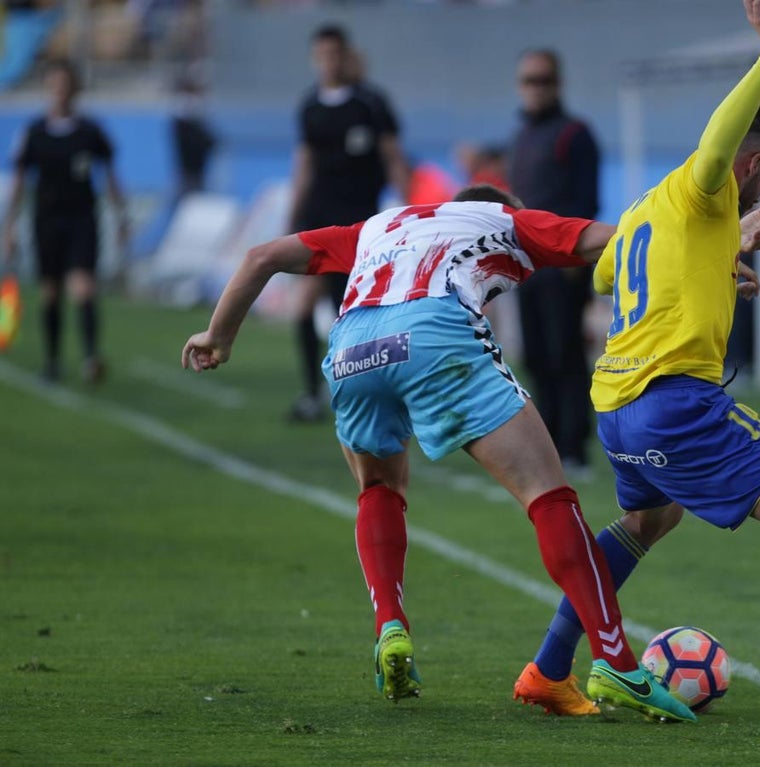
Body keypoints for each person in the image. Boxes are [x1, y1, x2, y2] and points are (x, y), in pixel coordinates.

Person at [513, 0, 760, 739]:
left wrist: (723, 260)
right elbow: (722, 137)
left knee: (648, 518)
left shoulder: (647, 209)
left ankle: (548, 668)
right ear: (749, 164)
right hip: (674, 404)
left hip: (617, 407)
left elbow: (610, 279)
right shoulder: (708, 182)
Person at [181, 185, 700, 724]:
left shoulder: (378, 227)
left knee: (378, 487)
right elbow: (629, 238)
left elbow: (261, 256)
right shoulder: (507, 221)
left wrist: (219, 336)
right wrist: (722, 251)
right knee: (548, 494)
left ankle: (390, 626)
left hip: (353, 345)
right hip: (434, 330)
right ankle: (616, 661)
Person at [286, 24, 409, 423]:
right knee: (303, 305)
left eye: (335, 54)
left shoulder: (370, 103)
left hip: (359, 224)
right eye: (323, 55)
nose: (330, 62)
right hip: (318, 220)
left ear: (347, 55)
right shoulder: (310, 106)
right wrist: (293, 215)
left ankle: (364, 392)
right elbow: (305, 163)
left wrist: (408, 209)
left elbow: (393, 157)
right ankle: (311, 393)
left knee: (351, 313)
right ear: (314, 59)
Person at [2, 58, 129, 384]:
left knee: (83, 287)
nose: (60, 91)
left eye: (66, 85)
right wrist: (9, 226)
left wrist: (121, 217)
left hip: (81, 218)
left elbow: (110, 176)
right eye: (55, 84)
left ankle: (90, 357)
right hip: (46, 218)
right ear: (48, 88)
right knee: (50, 291)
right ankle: (52, 361)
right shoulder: (34, 132)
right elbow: (20, 181)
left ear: (75, 89)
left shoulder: (90, 131)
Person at [508, 48, 599, 473]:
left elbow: (585, 202)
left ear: (557, 84)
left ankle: (574, 447)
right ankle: (548, 445)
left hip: (561, 267)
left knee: (565, 354)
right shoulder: (522, 137)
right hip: (526, 265)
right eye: (529, 80)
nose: (536, 88)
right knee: (536, 357)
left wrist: (572, 262)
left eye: (543, 80)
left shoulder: (574, 134)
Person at [170, 74, 216, 198]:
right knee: (189, 193)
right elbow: (198, 140)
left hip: (195, 168)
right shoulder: (185, 112)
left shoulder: (191, 117)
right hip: (190, 169)